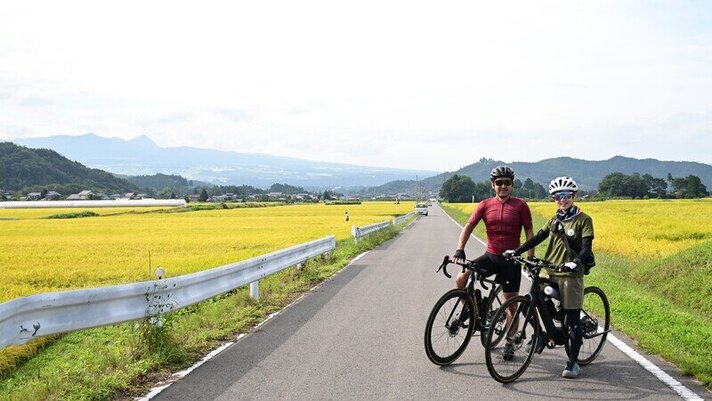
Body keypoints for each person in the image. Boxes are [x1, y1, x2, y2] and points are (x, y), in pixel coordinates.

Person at [504, 176, 595, 379]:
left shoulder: (583, 220)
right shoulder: (555, 219)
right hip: (551, 270)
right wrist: (517, 250)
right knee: (531, 301)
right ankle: (545, 333)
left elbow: (587, 248)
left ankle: (572, 363)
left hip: (571, 275)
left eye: (566, 196)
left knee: (572, 321)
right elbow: (539, 236)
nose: (562, 200)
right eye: (557, 197)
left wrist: (577, 262)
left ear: (573, 196)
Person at [452, 166, 535, 360]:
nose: (503, 186)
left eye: (507, 182)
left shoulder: (520, 206)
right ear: (493, 185)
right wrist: (460, 248)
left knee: (510, 304)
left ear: (512, 185)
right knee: (461, 278)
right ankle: (471, 310)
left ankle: (510, 342)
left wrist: (530, 258)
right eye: (499, 183)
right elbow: (469, 226)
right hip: (491, 255)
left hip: (511, 261)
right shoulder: (485, 204)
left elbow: (529, 233)